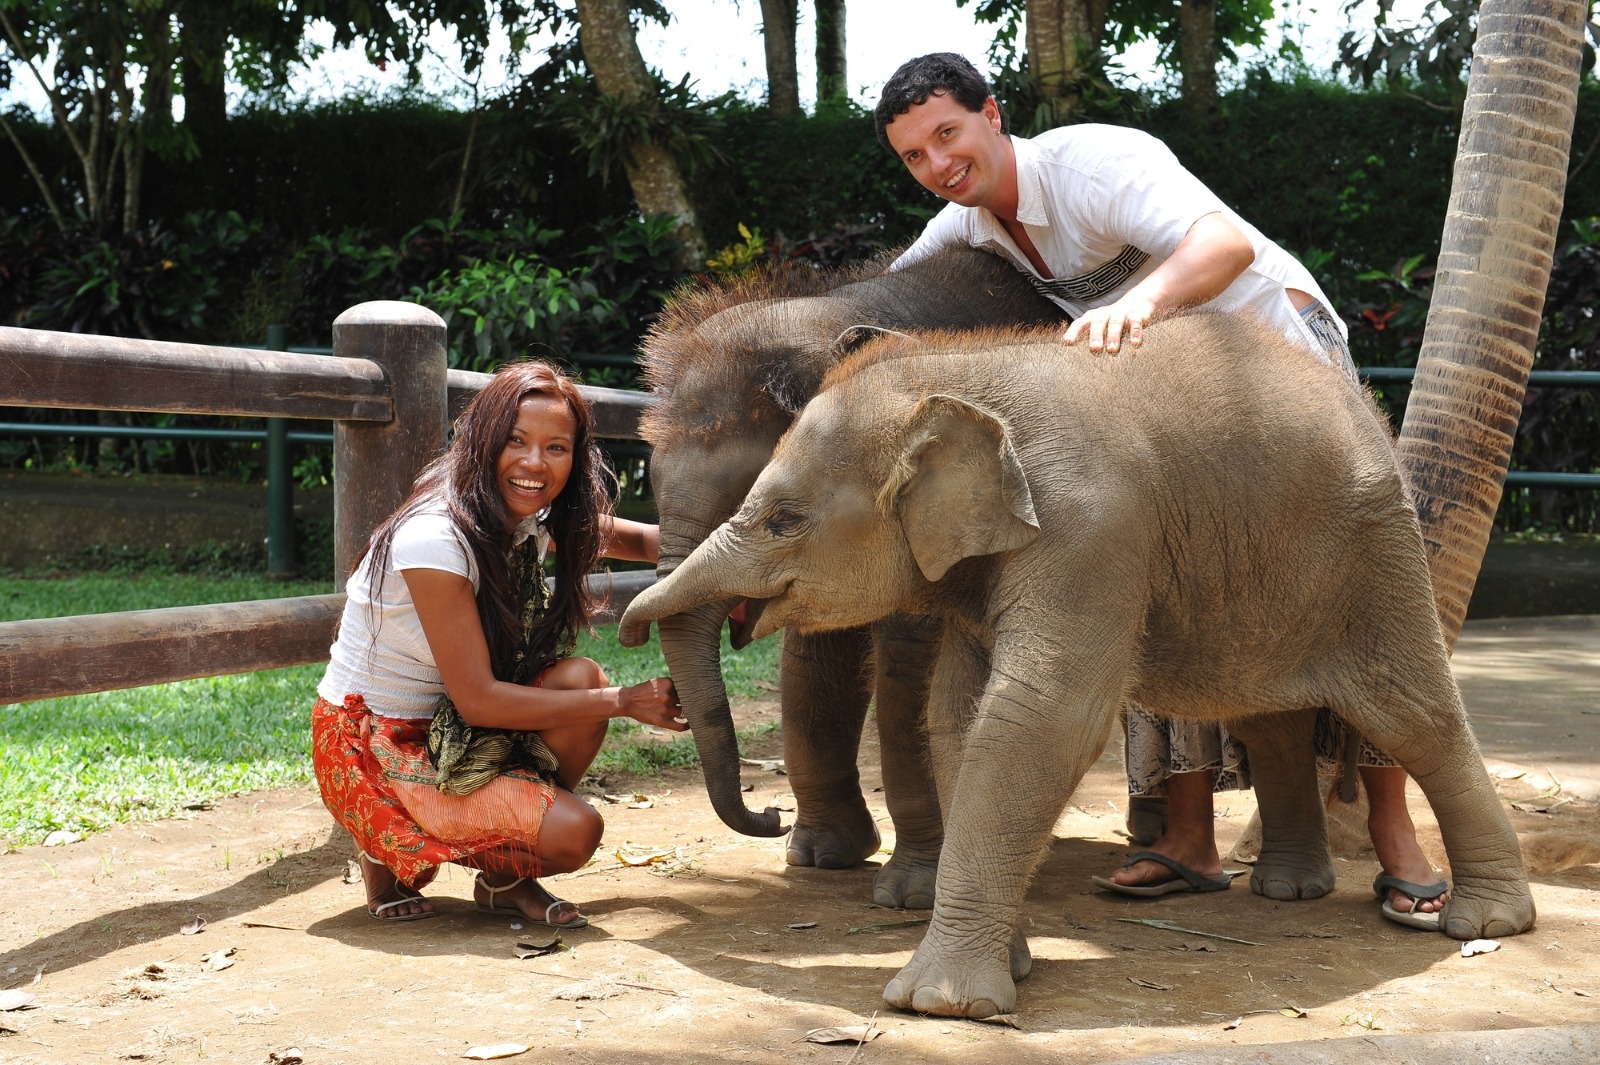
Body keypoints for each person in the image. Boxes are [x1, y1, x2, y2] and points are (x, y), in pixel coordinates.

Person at [873, 52, 1448, 929]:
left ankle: (1396, 830)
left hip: (1284, 378)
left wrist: (1136, 308)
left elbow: (1227, 244)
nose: (937, 166)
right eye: (914, 157)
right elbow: (884, 302)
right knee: (1142, 587)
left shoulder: (1092, 165)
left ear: (993, 114)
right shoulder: (971, 229)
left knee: (1356, 600)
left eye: (947, 135)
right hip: (1174, 421)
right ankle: (1190, 835)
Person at [311, 360, 687, 925]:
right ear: (485, 441)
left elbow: (629, 537)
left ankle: (503, 879)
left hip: (450, 727)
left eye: (556, 447)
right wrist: (625, 703)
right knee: (576, 831)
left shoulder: (521, 513)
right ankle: (387, 842)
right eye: (516, 441)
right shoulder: (437, 537)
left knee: (580, 677)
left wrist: (722, 560)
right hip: (374, 741)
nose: (534, 463)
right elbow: (480, 701)